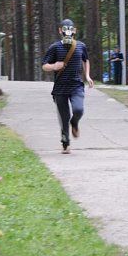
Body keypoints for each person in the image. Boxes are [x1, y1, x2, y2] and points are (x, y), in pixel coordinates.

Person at [42, 19, 94, 154]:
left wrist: (87, 76)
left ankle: (75, 122)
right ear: (60, 30)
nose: (68, 31)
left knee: (78, 110)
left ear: (74, 30)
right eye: (65, 28)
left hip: (76, 85)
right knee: (64, 117)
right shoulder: (54, 47)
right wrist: (54, 66)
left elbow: (85, 60)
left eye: (70, 28)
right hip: (60, 88)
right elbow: (44, 65)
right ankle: (65, 143)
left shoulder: (81, 46)